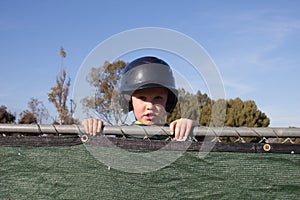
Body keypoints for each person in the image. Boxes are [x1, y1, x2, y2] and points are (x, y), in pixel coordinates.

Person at [83, 56, 197, 141]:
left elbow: (206, 145)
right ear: (129, 100)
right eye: (142, 97)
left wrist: (192, 128)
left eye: (158, 98)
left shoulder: (175, 134)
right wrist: (92, 127)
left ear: (168, 100)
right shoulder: (118, 134)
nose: (150, 106)